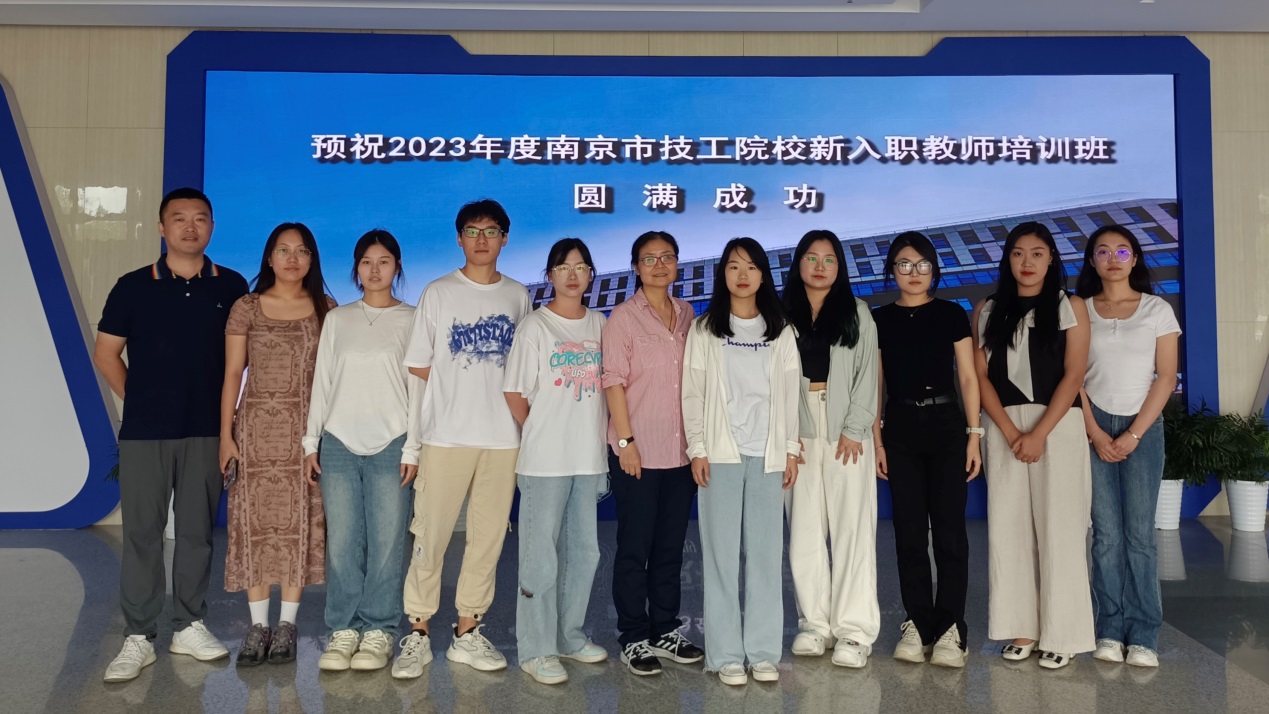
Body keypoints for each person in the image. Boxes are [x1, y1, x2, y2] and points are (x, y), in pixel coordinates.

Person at [95, 187, 247, 682]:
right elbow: (106, 354)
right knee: (142, 533)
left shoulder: (231, 286)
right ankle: (139, 635)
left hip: (207, 431)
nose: (190, 227)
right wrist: (140, 399)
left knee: (197, 532)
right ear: (162, 228)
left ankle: (189, 625)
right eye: (179, 218)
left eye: (200, 218)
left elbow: (241, 360)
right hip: (145, 433)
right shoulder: (133, 286)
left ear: (212, 227)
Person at [393, 199, 532, 679]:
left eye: (491, 231)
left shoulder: (518, 296)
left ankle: (467, 631)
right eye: (472, 231)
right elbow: (418, 364)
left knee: (487, 538)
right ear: (459, 238)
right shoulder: (439, 292)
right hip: (447, 436)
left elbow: (524, 367)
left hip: (503, 438)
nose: (481, 239)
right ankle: (417, 632)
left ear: (505, 238)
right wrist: (457, 391)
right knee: (430, 534)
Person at [973, 221, 1095, 670]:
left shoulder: (1070, 305)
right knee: (1009, 530)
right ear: (1008, 259)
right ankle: (1021, 627)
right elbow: (979, 377)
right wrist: (1009, 432)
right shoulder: (987, 309)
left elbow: (1075, 374)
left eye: (1037, 253)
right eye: (1018, 253)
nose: (1027, 262)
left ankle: (1063, 633)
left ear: (1051, 259)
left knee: (1061, 529)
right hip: (1003, 424)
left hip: (1057, 424)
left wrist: (1039, 433)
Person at [683, 237, 800, 686]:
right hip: (721, 455)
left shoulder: (780, 330)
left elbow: (790, 394)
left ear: (763, 275)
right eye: (734, 266)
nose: (743, 274)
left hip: (768, 455)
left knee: (767, 556)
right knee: (720, 558)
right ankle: (726, 655)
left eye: (751, 266)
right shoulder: (705, 329)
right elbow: (692, 393)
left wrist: (790, 449)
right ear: (723, 275)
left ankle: (764, 652)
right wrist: (697, 448)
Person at [303, 229, 422, 672]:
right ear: (356, 269)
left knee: (388, 541)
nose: (375, 269)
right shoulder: (339, 319)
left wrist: (413, 446)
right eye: (367, 262)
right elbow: (323, 381)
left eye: (384, 261)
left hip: (393, 442)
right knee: (343, 542)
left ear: (397, 267)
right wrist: (311, 441)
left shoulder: (413, 319)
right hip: (338, 442)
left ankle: (379, 629)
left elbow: (419, 389)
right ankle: (343, 629)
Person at [220, 222, 334, 666]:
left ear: (311, 259)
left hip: (307, 436)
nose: (292, 258)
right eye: (283, 250)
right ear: (269, 257)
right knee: (254, 525)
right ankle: (257, 626)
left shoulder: (326, 309)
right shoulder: (246, 307)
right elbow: (233, 373)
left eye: (301, 250)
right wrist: (226, 436)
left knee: (298, 524)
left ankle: (287, 625)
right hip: (254, 434)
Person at [872, 231, 982, 669]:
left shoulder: (951, 314)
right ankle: (917, 621)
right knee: (910, 533)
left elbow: (968, 377)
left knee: (951, 533)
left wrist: (974, 434)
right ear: (892, 270)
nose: (914, 272)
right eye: (904, 264)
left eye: (922, 264)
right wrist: (877, 440)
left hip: (947, 427)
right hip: (900, 429)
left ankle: (952, 626)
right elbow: (877, 384)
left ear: (934, 270)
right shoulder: (880, 319)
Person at [503, 238, 610, 685]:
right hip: (545, 460)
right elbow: (514, 392)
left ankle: (569, 637)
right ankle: (536, 649)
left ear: (590, 275)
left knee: (584, 553)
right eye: (563, 267)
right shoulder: (535, 326)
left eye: (581, 267)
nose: (572, 275)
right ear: (549, 275)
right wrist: (544, 429)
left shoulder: (600, 324)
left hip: (587, 456)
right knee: (540, 556)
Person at [1076, 225, 1180, 669]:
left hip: (1144, 426)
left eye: (1122, 251)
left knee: (1139, 536)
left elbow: (1166, 376)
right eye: (1103, 251)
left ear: (1135, 258)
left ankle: (1143, 635)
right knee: (1105, 536)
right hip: (1092, 424)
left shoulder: (1157, 309)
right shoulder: (1079, 309)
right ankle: (1108, 629)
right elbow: (1071, 378)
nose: (1113, 259)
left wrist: (1134, 433)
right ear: (1092, 261)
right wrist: (1096, 433)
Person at [602, 230, 705, 676]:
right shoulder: (623, 319)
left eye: (667, 257)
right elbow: (613, 382)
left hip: (680, 453)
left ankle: (665, 629)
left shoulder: (688, 315)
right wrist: (626, 443)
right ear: (636, 267)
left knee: (670, 549)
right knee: (634, 549)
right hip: (638, 454)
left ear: (677, 263)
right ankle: (633, 637)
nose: (659, 265)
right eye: (649, 258)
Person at [780, 230, 880, 668]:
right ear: (798, 263)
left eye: (829, 259)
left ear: (840, 266)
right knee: (804, 529)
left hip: (845, 428)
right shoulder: (780, 315)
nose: (820, 267)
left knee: (851, 529)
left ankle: (854, 632)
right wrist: (786, 435)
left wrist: (856, 428)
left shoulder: (858, 313)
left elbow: (868, 373)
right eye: (811, 258)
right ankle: (814, 625)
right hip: (797, 431)